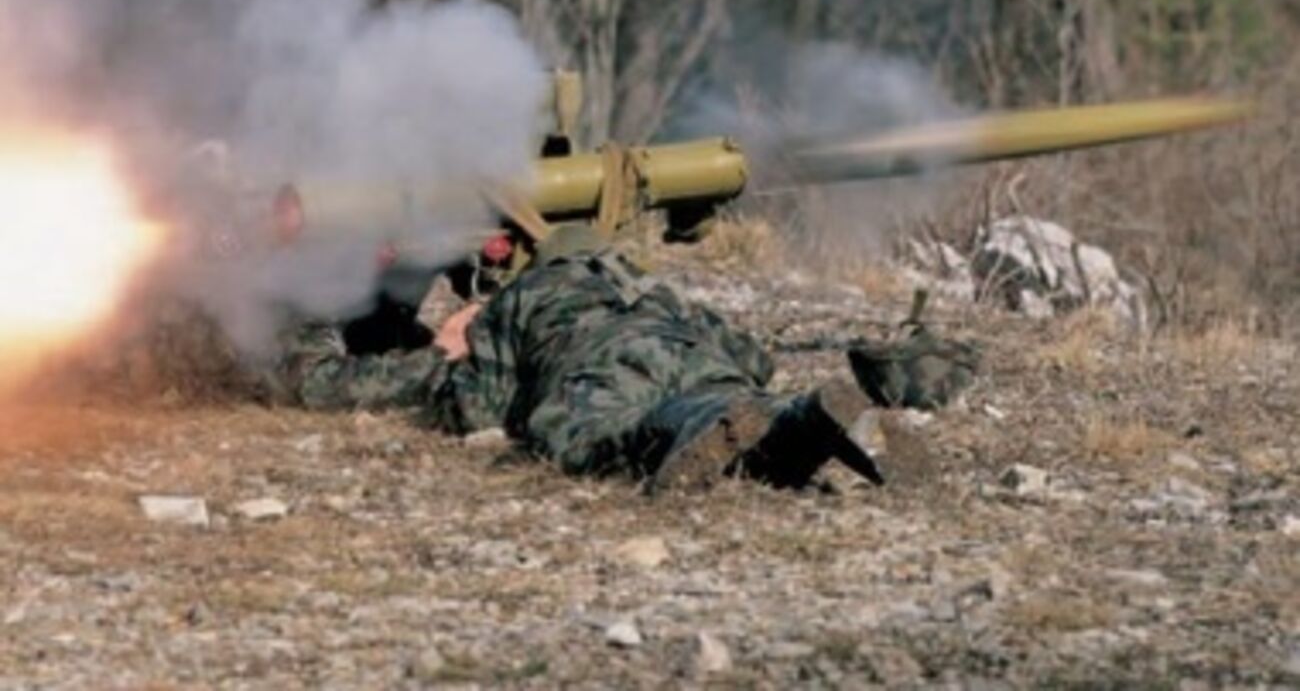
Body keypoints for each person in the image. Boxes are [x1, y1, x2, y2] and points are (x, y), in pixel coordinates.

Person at [274, 225, 977, 491]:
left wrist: (452, 349)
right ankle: (803, 422)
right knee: (743, 404)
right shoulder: (645, 288)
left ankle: (711, 420)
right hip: (693, 348)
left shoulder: (520, 303)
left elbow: (475, 406)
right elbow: (751, 355)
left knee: (593, 432)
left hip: (604, 367)